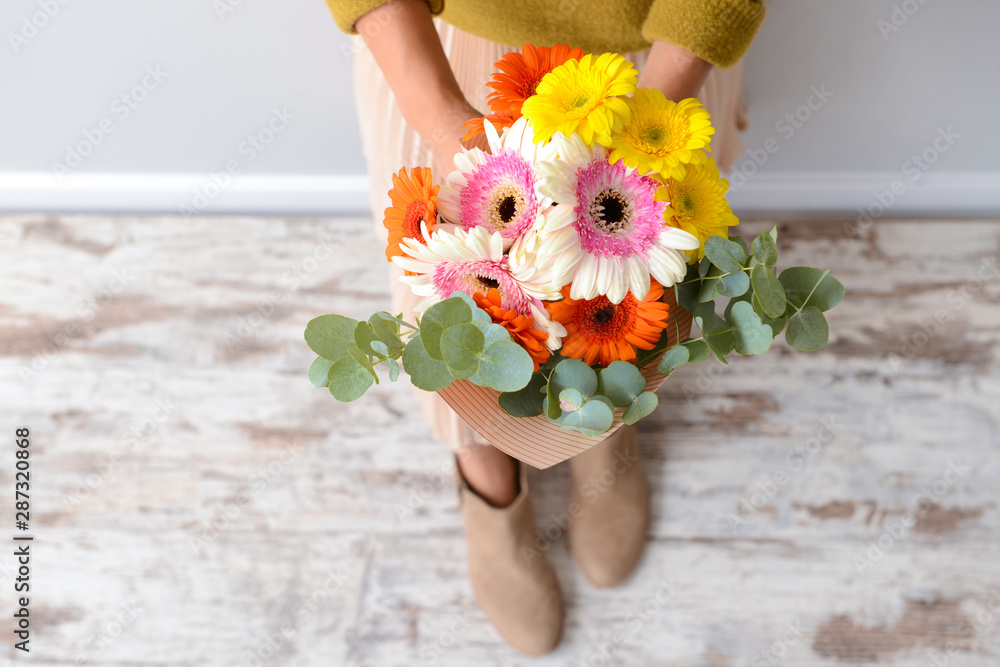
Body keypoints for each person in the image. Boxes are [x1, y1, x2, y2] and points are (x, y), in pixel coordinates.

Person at [324, 0, 765, 655]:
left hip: (659, 50)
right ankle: (486, 475)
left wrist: (634, 137)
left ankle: (601, 416)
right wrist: (453, 131)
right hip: (442, 43)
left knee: (630, 291)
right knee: (443, 299)